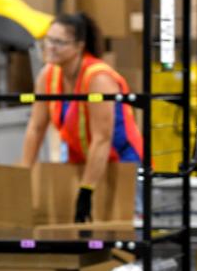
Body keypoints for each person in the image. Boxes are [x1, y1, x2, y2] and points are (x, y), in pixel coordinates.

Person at [20, 13, 142, 222]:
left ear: (79, 46)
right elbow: (36, 127)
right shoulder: (48, 76)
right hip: (80, 162)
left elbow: (102, 138)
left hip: (121, 162)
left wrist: (86, 190)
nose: (50, 47)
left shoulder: (98, 78)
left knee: (123, 232)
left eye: (59, 42)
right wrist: (23, 175)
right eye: (48, 40)